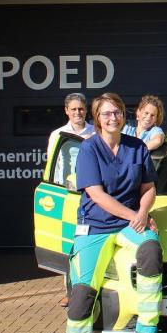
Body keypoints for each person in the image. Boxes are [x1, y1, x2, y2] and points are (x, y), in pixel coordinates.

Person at [61, 92, 164, 333]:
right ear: (97, 119)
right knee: (82, 295)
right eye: (106, 113)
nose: (113, 118)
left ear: (123, 115)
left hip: (129, 224)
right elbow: (96, 195)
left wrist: (143, 213)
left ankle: (146, 328)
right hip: (95, 227)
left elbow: (148, 187)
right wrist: (136, 215)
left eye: (117, 112)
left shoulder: (137, 147)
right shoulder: (89, 148)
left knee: (150, 248)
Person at [47, 93, 95, 307]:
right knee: (69, 243)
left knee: (88, 241)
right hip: (68, 195)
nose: (78, 112)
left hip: (93, 194)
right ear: (66, 111)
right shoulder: (58, 135)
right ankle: (70, 291)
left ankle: (89, 288)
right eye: (74, 109)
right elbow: (54, 164)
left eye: (81, 109)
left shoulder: (95, 131)